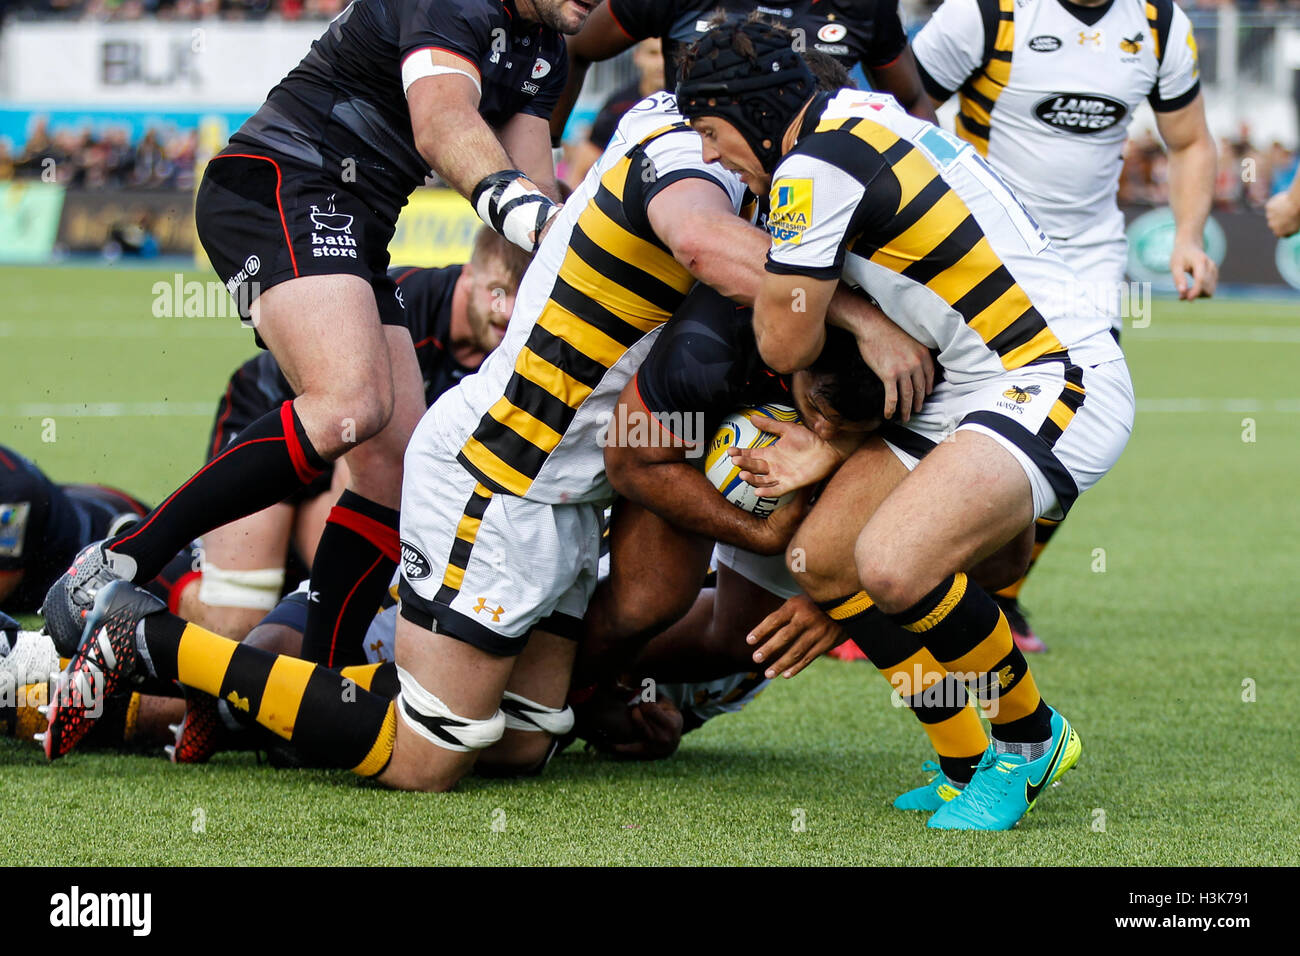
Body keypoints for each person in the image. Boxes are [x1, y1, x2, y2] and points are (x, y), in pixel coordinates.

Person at [42, 0, 594, 675]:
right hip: (278, 181)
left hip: (354, 222)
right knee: (347, 405)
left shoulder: (547, 48)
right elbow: (443, 123)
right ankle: (114, 564)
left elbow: (535, 190)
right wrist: (529, 212)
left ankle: (319, 683)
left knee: (399, 470)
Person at [677, 13, 1133, 829]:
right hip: (975, 378)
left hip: (1054, 372)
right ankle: (962, 759)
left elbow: (782, 334)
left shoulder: (813, 167)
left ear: (747, 110)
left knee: (892, 564)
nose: (710, 154)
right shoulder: (861, 117)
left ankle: (1030, 743)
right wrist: (834, 426)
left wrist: (827, 321)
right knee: (824, 559)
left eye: (710, 130)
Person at [911, 0, 1217, 649]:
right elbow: (899, 105)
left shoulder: (1160, 24)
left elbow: (1189, 140)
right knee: (933, 414)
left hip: (1087, 259)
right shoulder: (985, 13)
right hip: (977, 247)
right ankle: (888, 584)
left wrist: (1188, 236)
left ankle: (999, 597)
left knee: (1074, 426)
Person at [551, 0, 938, 144]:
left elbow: (911, 100)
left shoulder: (867, 7)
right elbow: (577, 45)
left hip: (816, 189)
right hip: (694, 176)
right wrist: (545, 141)